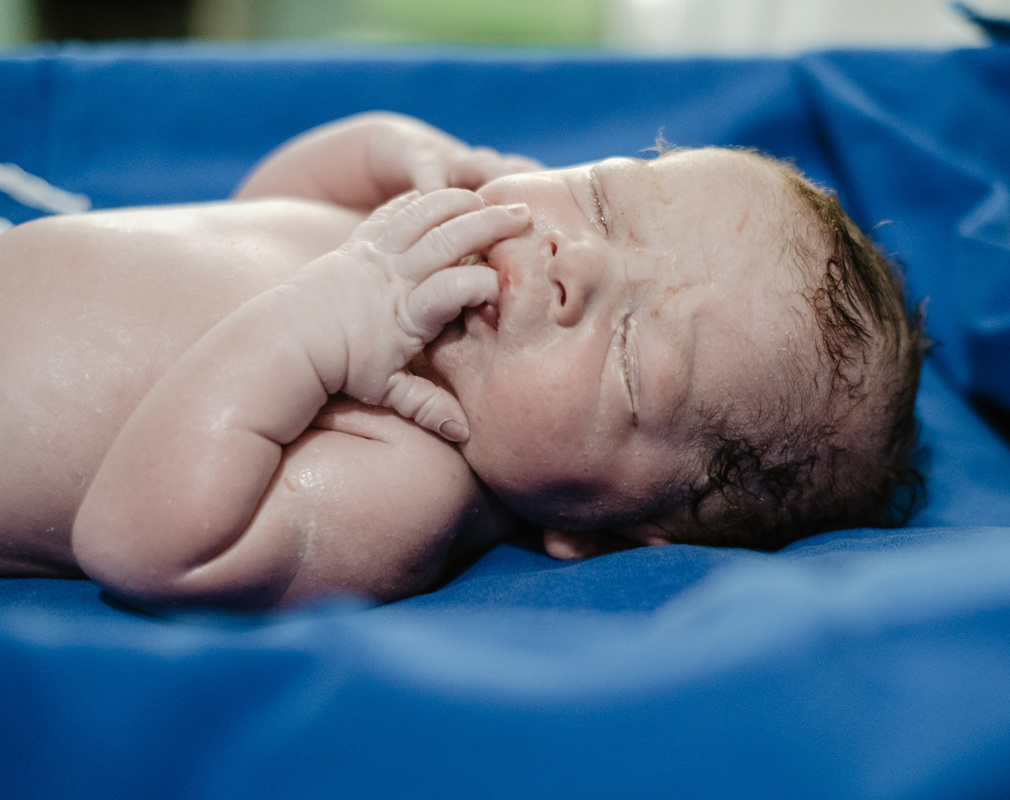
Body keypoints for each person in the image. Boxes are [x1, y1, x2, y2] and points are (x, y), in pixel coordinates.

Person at [0, 112, 924, 610]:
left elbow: (141, 544)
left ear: (607, 534)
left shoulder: (405, 480)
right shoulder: (403, 260)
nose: (578, 263)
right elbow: (254, 210)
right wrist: (385, 153)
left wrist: (307, 332)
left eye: (632, 355)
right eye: (604, 201)